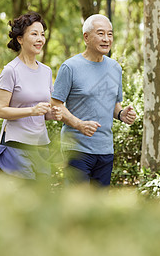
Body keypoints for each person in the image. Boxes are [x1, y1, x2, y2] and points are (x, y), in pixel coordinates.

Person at [51, 14, 137, 187]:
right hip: (76, 149)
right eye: (100, 33)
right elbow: (56, 105)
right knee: (78, 206)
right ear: (86, 37)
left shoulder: (115, 68)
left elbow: (113, 103)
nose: (106, 39)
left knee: (99, 209)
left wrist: (121, 114)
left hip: (105, 150)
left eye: (110, 34)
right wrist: (79, 124)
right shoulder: (70, 67)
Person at [0, 11, 62, 181]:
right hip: (16, 147)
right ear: (20, 39)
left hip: (40, 148)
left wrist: (53, 114)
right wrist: (32, 110)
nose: (40, 39)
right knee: (22, 203)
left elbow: (43, 112)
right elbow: (0, 110)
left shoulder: (46, 71)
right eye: (34, 34)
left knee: (41, 203)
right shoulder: (11, 71)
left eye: (42, 34)